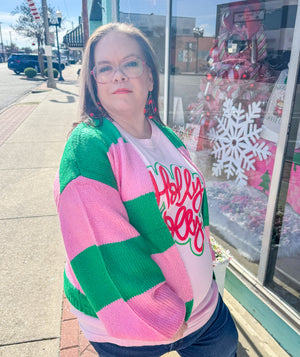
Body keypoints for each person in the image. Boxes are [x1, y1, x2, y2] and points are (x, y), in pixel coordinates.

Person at [54, 22, 238, 357]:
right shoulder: (89, 146)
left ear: (150, 77)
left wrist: (206, 274)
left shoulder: (165, 136)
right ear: (94, 81)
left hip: (204, 313)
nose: (118, 75)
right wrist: (166, 316)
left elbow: (192, 213)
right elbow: (104, 248)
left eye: (130, 63)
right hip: (135, 328)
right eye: (105, 68)